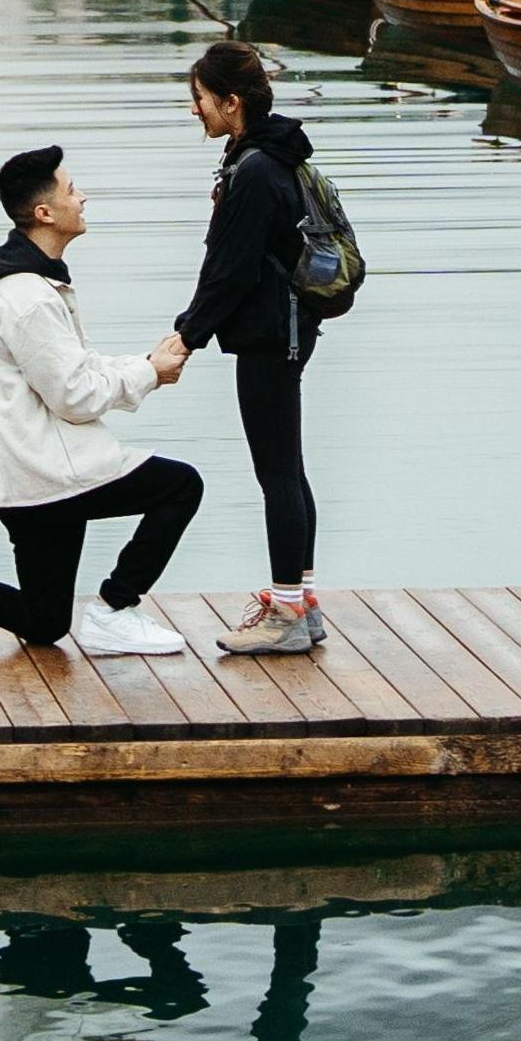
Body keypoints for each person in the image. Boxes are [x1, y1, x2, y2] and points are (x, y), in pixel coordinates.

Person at [0, 143, 204, 659]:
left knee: (45, 622)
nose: (83, 198)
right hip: (53, 475)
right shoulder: (28, 298)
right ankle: (116, 608)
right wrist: (147, 374)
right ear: (44, 212)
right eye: (72, 190)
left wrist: (146, 364)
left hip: (28, 482)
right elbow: (74, 396)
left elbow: (78, 367)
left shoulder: (36, 286)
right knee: (181, 486)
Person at [176, 39, 327, 655]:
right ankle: (304, 602)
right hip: (287, 328)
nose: (196, 112)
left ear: (231, 102)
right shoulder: (265, 155)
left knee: (276, 475)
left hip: (271, 334)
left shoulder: (257, 170)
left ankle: (287, 611)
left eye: (201, 100)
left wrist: (185, 335)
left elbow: (230, 269)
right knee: (287, 468)